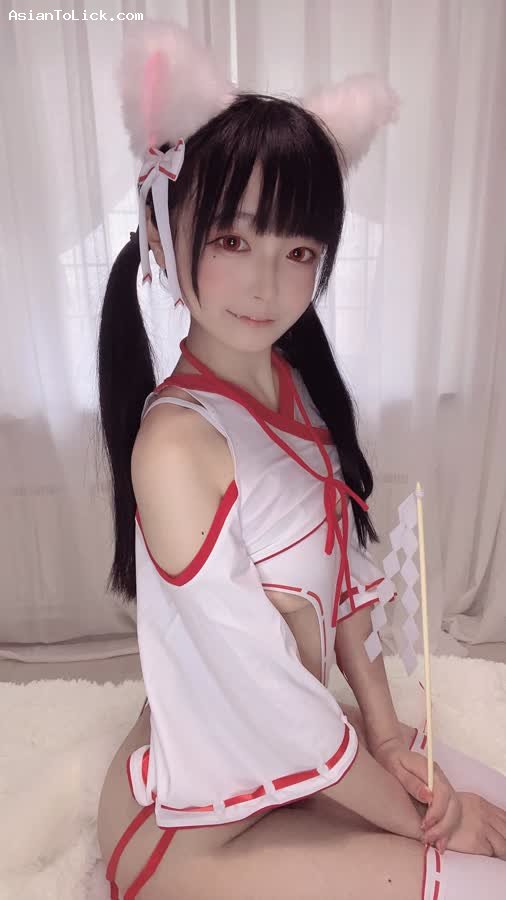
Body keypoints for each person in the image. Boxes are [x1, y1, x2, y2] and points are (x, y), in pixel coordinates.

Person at [96, 24, 506, 900]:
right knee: (479, 870)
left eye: (299, 252)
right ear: (162, 234)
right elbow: (266, 701)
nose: (268, 286)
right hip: (193, 827)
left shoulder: (291, 384)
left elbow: (344, 581)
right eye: (232, 241)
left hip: (296, 759)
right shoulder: (175, 448)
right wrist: (423, 821)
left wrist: (387, 738)